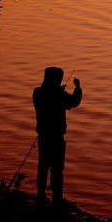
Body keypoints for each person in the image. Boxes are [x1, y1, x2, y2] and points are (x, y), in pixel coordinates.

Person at [33, 67, 82, 207]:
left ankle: (40, 195)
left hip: (43, 136)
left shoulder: (38, 92)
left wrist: (58, 91)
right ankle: (57, 198)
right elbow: (73, 102)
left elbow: (48, 96)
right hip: (56, 137)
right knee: (57, 167)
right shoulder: (59, 95)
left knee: (43, 166)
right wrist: (77, 88)